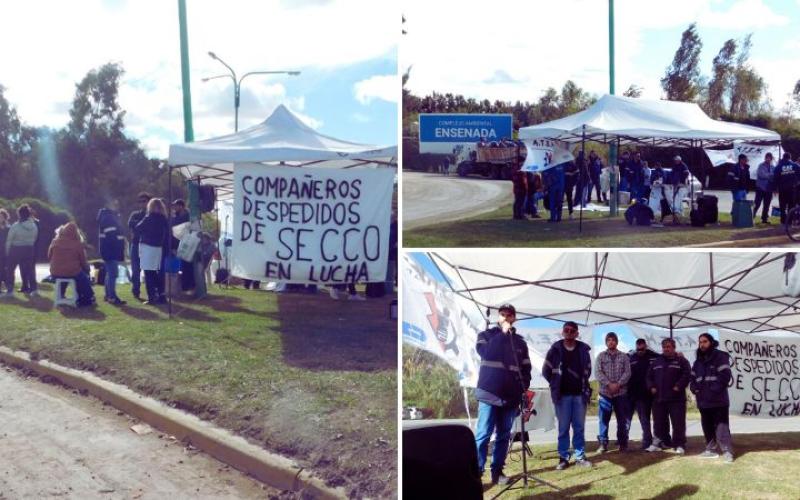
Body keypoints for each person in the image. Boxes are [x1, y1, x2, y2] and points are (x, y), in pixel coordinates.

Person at [474, 304, 532, 485]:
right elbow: (487, 353)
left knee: (503, 436)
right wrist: (503, 334)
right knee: (483, 435)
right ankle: (476, 473)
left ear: (515, 318)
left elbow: (526, 369)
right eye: (503, 314)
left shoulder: (521, 342)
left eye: (510, 315)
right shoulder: (486, 336)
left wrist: (523, 389)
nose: (506, 317)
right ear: (498, 317)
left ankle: (497, 472)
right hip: (489, 393)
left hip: (511, 397)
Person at [543, 321, 593, 470]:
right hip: (562, 396)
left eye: (572, 331)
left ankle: (580, 457)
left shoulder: (583, 350)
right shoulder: (555, 350)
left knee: (579, 428)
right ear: (563, 332)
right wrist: (555, 384)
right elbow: (546, 370)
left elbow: (588, 370)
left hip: (579, 395)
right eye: (567, 330)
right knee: (563, 429)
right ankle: (563, 458)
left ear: (577, 333)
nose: (569, 333)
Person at [690, 333, 734, 463]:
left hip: (718, 400)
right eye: (700, 342)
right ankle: (710, 449)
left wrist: (711, 391)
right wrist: (694, 388)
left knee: (721, 427)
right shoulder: (697, 362)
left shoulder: (720, 356)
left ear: (711, 342)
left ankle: (727, 451)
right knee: (707, 426)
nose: (702, 344)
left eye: (705, 341)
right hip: (703, 401)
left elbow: (725, 376)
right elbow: (692, 378)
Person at [646, 338, 691, 454]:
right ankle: (659, 443)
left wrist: (679, 386)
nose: (666, 349)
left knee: (678, 423)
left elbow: (687, 374)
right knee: (659, 422)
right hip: (659, 398)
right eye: (664, 347)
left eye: (669, 346)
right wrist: (651, 387)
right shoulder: (657, 361)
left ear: (674, 348)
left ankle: (679, 444)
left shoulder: (681, 360)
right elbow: (648, 376)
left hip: (676, 399)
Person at [595, 332, 631, 453]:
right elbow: (598, 373)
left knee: (622, 420)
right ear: (606, 342)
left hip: (621, 393)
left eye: (613, 340)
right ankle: (603, 444)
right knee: (603, 420)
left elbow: (627, 373)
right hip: (605, 393)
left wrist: (618, 384)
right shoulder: (600, 356)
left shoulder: (624, 357)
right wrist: (609, 384)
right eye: (609, 340)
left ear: (617, 342)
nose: (611, 342)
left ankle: (623, 444)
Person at [48, 222, 95, 307]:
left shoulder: (55, 242)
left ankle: (61, 294)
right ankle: (87, 297)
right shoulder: (78, 244)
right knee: (82, 276)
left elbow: (49, 256)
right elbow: (83, 261)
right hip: (72, 272)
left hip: (55, 272)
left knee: (64, 274)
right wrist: (87, 269)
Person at [134, 198, 170, 305]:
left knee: (149, 273)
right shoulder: (164, 219)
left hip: (147, 247)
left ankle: (152, 297)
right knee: (159, 273)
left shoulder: (148, 217)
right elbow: (168, 235)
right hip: (159, 248)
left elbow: (137, 228)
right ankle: (162, 295)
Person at [627, 338, 659, 450]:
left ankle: (657, 440)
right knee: (643, 419)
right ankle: (646, 441)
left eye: (642, 348)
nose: (640, 351)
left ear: (646, 346)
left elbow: (665, 359)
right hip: (637, 394)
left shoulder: (655, 356)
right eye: (638, 349)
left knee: (656, 419)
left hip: (652, 393)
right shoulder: (632, 358)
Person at [5, 204, 39, 297]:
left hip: (16, 249)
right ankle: (34, 289)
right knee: (30, 269)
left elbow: (9, 239)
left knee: (10, 269)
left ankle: (10, 290)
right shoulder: (34, 225)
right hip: (29, 248)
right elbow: (35, 238)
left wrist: (7, 252)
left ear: (19, 214)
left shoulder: (16, 226)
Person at [97, 200, 126, 305]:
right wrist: (119, 248)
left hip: (108, 250)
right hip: (111, 250)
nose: (117, 206)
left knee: (109, 273)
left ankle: (108, 295)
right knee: (113, 274)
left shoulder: (107, 216)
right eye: (114, 204)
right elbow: (112, 236)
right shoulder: (109, 218)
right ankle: (112, 297)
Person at [128, 192, 152, 301]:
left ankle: (151, 292)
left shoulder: (152, 214)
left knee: (148, 270)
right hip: (135, 244)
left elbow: (145, 227)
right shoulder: (135, 214)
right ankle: (136, 291)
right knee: (135, 269)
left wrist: (139, 225)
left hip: (148, 245)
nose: (142, 203)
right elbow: (130, 224)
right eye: (140, 201)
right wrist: (143, 225)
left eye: (144, 201)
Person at [171, 199, 196, 292]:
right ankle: (184, 286)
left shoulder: (187, 216)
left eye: (176, 206)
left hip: (186, 244)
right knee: (181, 266)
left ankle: (189, 286)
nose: (174, 208)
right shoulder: (176, 217)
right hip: (178, 244)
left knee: (187, 266)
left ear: (181, 206)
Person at [774, 152, 800, 224]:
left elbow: (775, 178)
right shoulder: (795, 165)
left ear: (783, 157)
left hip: (782, 189)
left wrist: (775, 189)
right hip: (792, 189)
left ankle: (783, 222)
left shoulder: (779, 166)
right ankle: (789, 222)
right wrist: (797, 182)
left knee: (782, 206)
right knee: (791, 206)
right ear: (790, 157)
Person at [753, 152, 775, 224]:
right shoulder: (761, 165)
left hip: (769, 188)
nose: (768, 159)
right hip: (760, 188)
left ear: (771, 158)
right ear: (765, 158)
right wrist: (770, 175)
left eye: (769, 158)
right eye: (767, 157)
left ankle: (764, 219)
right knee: (757, 203)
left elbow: (774, 177)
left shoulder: (773, 167)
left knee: (767, 205)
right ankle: (751, 216)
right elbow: (761, 175)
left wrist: (769, 176)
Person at [668, 155, 690, 225]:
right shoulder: (675, 166)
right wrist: (672, 181)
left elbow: (686, 174)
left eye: (676, 160)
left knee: (679, 198)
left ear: (679, 160)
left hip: (682, 185)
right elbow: (672, 174)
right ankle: (678, 212)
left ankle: (679, 212)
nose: (675, 161)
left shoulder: (684, 166)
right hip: (675, 184)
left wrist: (682, 182)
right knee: (676, 198)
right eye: (675, 161)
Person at [0, 209, 10, 295]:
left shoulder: (8, 228)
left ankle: (8, 288)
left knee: (5, 269)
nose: (0, 218)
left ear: (5, 218)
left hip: (5, 252)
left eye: (2, 217)